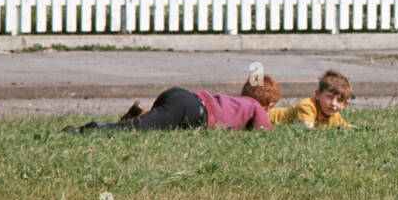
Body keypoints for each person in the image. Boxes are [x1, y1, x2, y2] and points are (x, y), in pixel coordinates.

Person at [65, 79, 273, 134]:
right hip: (190, 109)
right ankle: (92, 129)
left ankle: (140, 114)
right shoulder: (256, 107)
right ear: (270, 105)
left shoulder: (240, 102)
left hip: (182, 95)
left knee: (156, 124)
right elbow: (264, 132)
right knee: (139, 129)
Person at [269, 69, 354, 128]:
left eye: (339, 100)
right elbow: (306, 128)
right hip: (268, 117)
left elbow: (347, 127)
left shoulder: (334, 115)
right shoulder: (307, 106)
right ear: (318, 94)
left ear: (344, 104)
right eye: (329, 97)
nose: (333, 103)